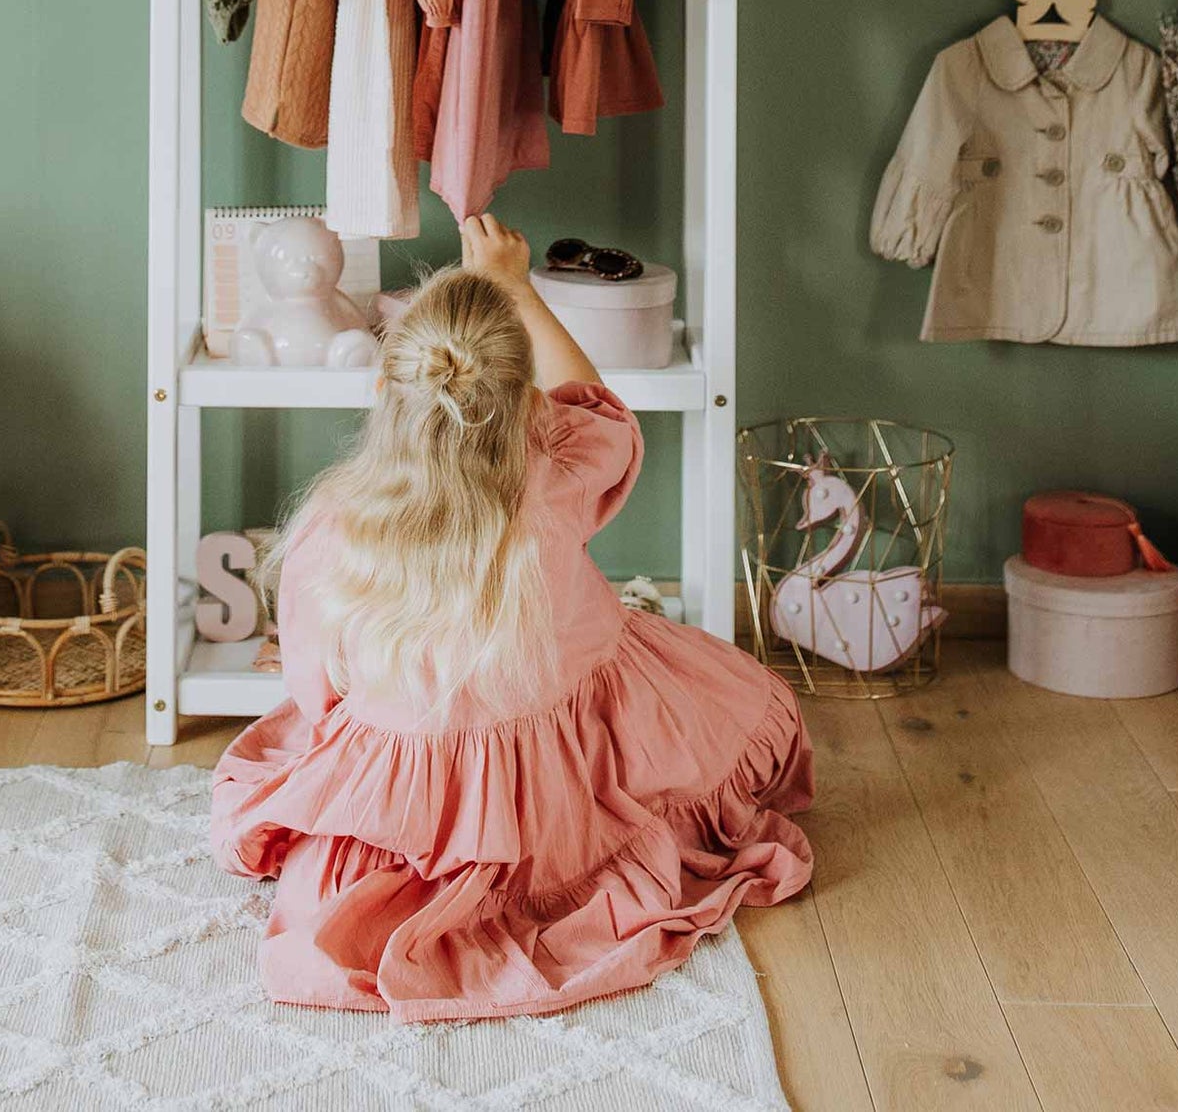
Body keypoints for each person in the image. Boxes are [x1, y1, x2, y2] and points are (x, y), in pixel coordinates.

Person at [211, 215, 815, 1023]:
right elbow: (602, 409)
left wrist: (359, 753)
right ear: (521, 397)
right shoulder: (557, 473)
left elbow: (319, 690)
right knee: (710, 699)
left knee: (334, 761)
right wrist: (516, 285)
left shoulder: (333, 521)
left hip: (412, 771)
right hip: (561, 759)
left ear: (387, 387)